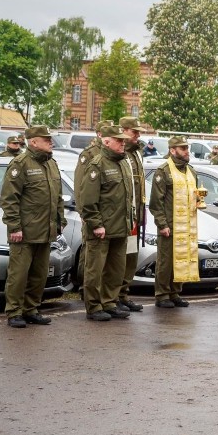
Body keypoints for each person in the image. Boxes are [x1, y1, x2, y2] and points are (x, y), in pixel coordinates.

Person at [0, 125, 65, 328]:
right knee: (19, 275)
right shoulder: (20, 164)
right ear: (33, 142)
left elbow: (58, 197)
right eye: (46, 139)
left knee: (39, 273)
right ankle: (14, 311)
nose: (50, 141)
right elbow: (9, 199)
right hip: (25, 232)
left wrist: (60, 221)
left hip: (46, 231)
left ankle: (31, 309)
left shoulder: (51, 164)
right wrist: (15, 227)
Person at [79, 125, 135, 321]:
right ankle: (93, 306)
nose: (122, 144)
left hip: (120, 226)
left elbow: (127, 197)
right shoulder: (97, 165)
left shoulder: (122, 163)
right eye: (118, 141)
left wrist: (130, 220)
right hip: (102, 228)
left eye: (123, 141)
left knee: (116, 269)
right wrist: (96, 224)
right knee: (95, 270)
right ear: (106, 141)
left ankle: (109, 302)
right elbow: (88, 200)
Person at [150, 136, 201, 308]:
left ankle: (174, 292)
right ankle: (162, 294)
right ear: (173, 151)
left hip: (186, 224)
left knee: (182, 260)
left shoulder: (191, 171)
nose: (187, 151)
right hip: (170, 225)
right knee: (165, 261)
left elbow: (195, 195)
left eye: (187, 148)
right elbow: (156, 202)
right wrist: (162, 224)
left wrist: (199, 200)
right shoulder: (163, 171)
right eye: (183, 148)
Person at [73, 120, 114, 287]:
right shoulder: (89, 154)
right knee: (89, 251)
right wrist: (83, 212)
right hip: (91, 212)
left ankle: (99, 288)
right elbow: (80, 185)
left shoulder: (111, 153)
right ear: (99, 135)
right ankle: (84, 285)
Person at [117, 116, 145, 313]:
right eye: (134, 132)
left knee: (130, 257)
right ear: (124, 130)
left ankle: (123, 294)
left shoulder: (136, 153)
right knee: (119, 258)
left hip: (136, 215)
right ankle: (114, 295)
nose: (138, 135)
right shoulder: (119, 153)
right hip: (122, 215)